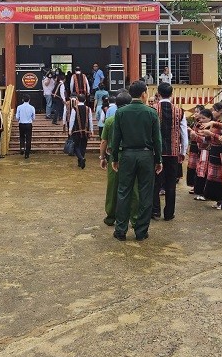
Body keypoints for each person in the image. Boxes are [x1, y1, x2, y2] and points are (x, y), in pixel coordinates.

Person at [110, 80, 163, 241]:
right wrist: (158, 159)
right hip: (146, 156)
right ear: (144, 94)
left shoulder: (121, 112)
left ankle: (120, 230)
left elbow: (116, 138)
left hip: (127, 155)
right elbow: (157, 140)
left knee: (123, 192)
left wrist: (114, 157)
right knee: (145, 193)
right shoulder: (151, 112)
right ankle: (141, 231)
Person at [100, 90, 138, 227]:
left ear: (116, 104)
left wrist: (102, 157)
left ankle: (111, 216)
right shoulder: (135, 120)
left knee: (113, 186)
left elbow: (104, 141)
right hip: (132, 155)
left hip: (114, 155)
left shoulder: (110, 120)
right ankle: (135, 218)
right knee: (134, 187)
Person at [152, 82, 188, 221]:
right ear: (171, 94)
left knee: (155, 183)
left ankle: (155, 211)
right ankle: (169, 213)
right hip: (173, 152)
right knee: (171, 184)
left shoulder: (152, 110)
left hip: (156, 153)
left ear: (158, 94)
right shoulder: (179, 111)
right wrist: (183, 151)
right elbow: (184, 133)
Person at [197, 102, 222, 208]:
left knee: (221, 176)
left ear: (220, 111)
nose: (213, 112)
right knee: (213, 176)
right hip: (214, 150)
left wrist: (210, 134)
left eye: (215, 110)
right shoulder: (215, 123)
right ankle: (218, 199)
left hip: (221, 151)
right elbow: (211, 137)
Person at [190, 108, 214, 201]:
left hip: (208, 152)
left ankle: (205, 193)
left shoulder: (212, 127)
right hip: (202, 151)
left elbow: (208, 140)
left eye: (204, 118)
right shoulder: (200, 126)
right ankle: (200, 191)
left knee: (205, 173)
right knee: (200, 171)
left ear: (210, 118)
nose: (201, 120)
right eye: (200, 118)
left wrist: (196, 136)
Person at [69, 93, 94, 169]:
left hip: (76, 131)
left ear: (77, 100)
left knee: (76, 146)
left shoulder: (74, 108)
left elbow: (72, 120)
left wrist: (70, 129)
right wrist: (92, 130)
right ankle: (81, 161)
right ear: (85, 100)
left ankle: (81, 159)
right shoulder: (88, 109)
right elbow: (90, 120)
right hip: (86, 131)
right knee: (83, 146)